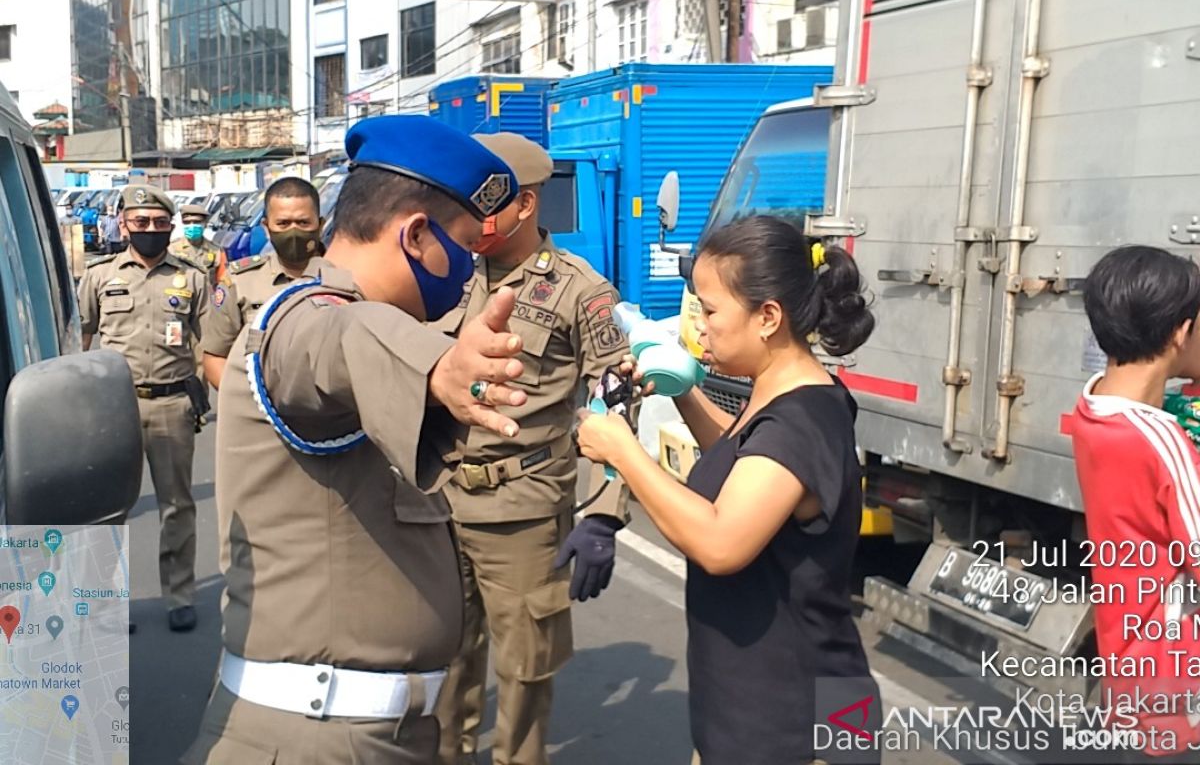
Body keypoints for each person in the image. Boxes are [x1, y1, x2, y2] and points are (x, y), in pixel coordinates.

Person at [183, 115, 533, 765]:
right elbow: (336, 342)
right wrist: (438, 366)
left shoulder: (364, 322)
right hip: (319, 739)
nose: (466, 273)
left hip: (370, 736)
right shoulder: (298, 318)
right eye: (462, 249)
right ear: (417, 235)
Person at [576, 216, 882, 765]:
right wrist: (684, 389)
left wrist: (624, 450)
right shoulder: (793, 396)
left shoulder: (799, 423)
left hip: (790, 719)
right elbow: (746, 462)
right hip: (772, 700)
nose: (700, 326)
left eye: (711, 310)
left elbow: (721, 544)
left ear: (768, 317)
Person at [431, 132, 632, 765]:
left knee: (524, 673)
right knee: (443, 660)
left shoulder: (579, 290)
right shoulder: (443, 275)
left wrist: (605, 510)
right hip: (435, 503)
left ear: (526, 205)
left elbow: (618, 398)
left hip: (521, 508)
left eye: (490, 202)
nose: (475, 218)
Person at [1069, 246, 1200, 763]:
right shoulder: (1161, 441)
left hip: (1129, 671)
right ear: (1179, 333)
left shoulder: (1094, 410)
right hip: (1176, 682)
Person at [77, 185, 210, 633]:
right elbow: (82, 340)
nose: (150, 230)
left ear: (170, 227)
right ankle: (106, 607)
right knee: (111, 509)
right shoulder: (99, 276)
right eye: (141, 222)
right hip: (115, 407)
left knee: (177, 505)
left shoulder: (192, 278)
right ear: (124, 225)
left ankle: (179, 596)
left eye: (158, 223)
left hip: (172, 403)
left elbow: (211, 344)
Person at [201, 177, 324, 389]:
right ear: (266, 228)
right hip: (261, 413)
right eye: (283, 224)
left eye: (303, 223)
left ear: (320, 225)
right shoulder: (240, 282)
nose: (293, 232)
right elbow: (215, 358)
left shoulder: (346, 278)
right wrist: (249, 403)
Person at [170, 203, 228, 288]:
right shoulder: (172, 249)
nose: (191, 226)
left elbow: (223, 281)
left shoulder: (216, 251)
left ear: (205, 224)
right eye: (187, 222)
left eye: (196, 222)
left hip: (207, 298)